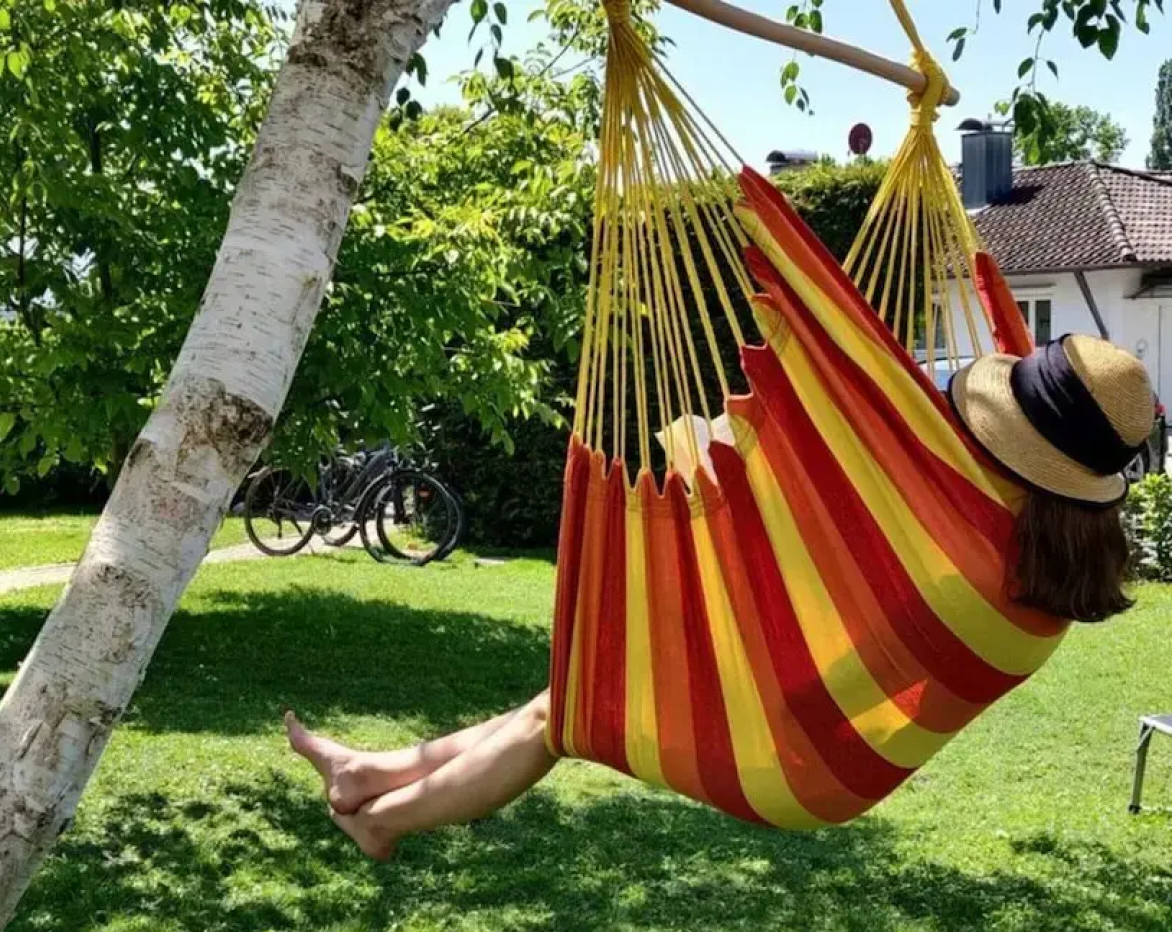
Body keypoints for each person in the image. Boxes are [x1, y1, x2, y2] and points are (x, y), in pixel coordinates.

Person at [289, 334, 1156, 860]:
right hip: (828, 749)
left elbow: (817, 648)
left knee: (567, 718)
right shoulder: (1050, 567)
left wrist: (733, 538)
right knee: (565, 698)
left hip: (783, 744)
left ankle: (385, 819)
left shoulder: (958, 554)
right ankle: (375, 775)